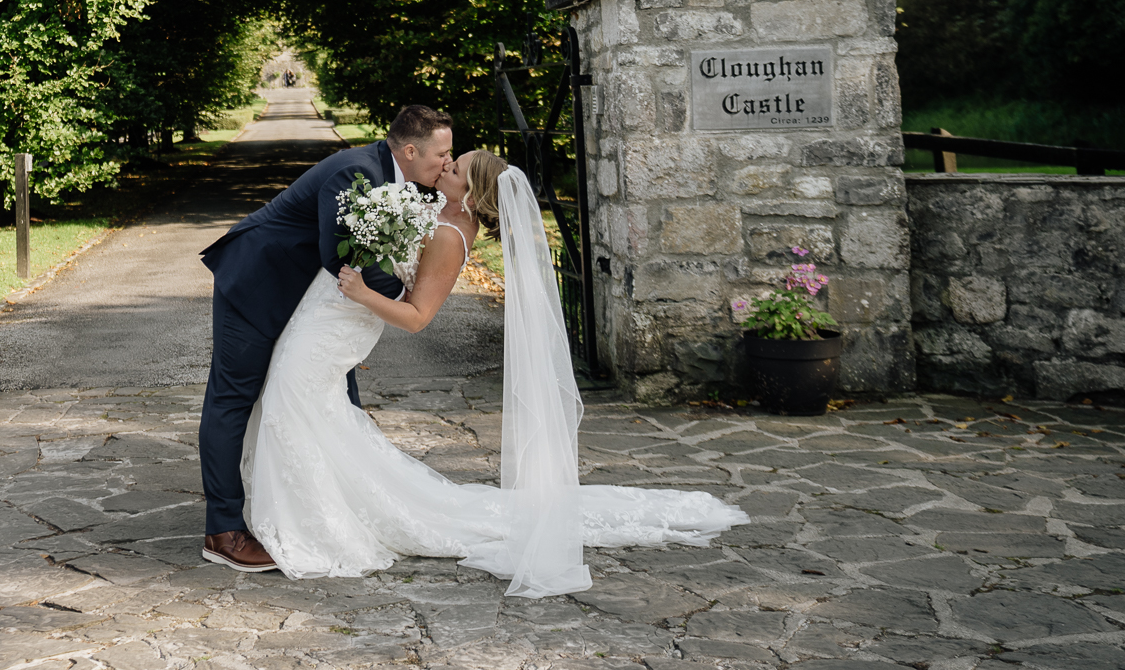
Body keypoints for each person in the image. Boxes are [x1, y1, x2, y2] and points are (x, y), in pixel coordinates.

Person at [239, 149, 749, 595]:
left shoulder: (449, 236)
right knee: (305, 405)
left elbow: (418, 319)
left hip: (346, 318)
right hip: (332, 322)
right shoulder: (443, 215)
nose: (445, 165)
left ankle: (316, 519)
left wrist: (364, 292)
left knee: (294, 399)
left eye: (455, 166)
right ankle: (320, 504)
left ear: (470, 188)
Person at [197, 104, 457, 571]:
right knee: (233, 398)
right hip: (258, 285)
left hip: (307, 307)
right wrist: (406, 299)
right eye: (443, 153)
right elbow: (341, 256)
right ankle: (224, 533)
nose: (447, 162)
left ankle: (333, 507)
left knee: (332, 401)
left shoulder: (400, 180)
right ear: (412, 150)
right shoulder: (356, 173)